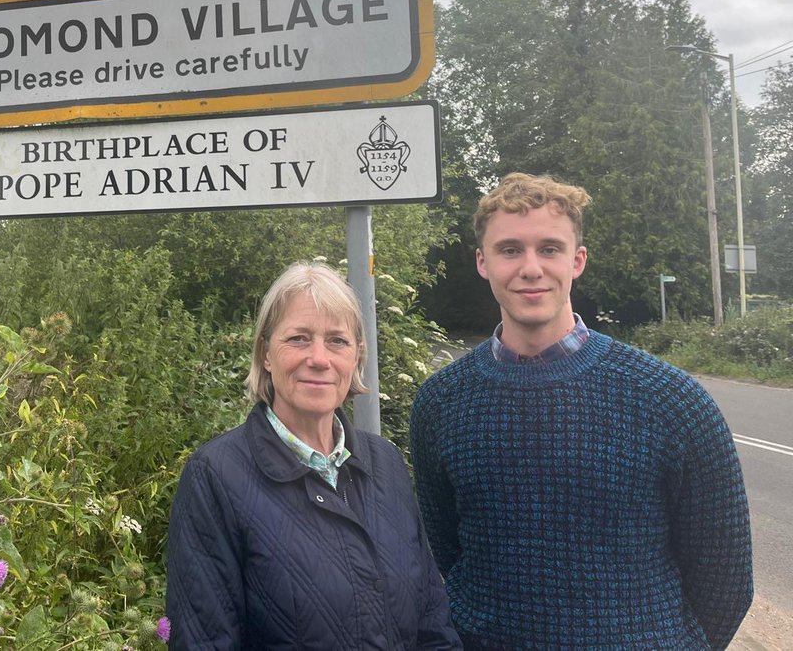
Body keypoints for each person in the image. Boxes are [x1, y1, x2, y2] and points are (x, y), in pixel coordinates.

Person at [409, 172, 753, 650]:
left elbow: (725, 579)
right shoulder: (440, 403)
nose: (531, 268)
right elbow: (449, 551)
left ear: (578, 261)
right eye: (510, 250)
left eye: (549, 248)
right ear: (483, 262)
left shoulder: (671, 400)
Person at [165, 261, 460, 650]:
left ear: (357, 356)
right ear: (266, 354)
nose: (319, 358)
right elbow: (204, 641)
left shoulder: (385, 463)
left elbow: (432, 621)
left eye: (337, 340)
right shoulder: (216, 477)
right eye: (299, 338)